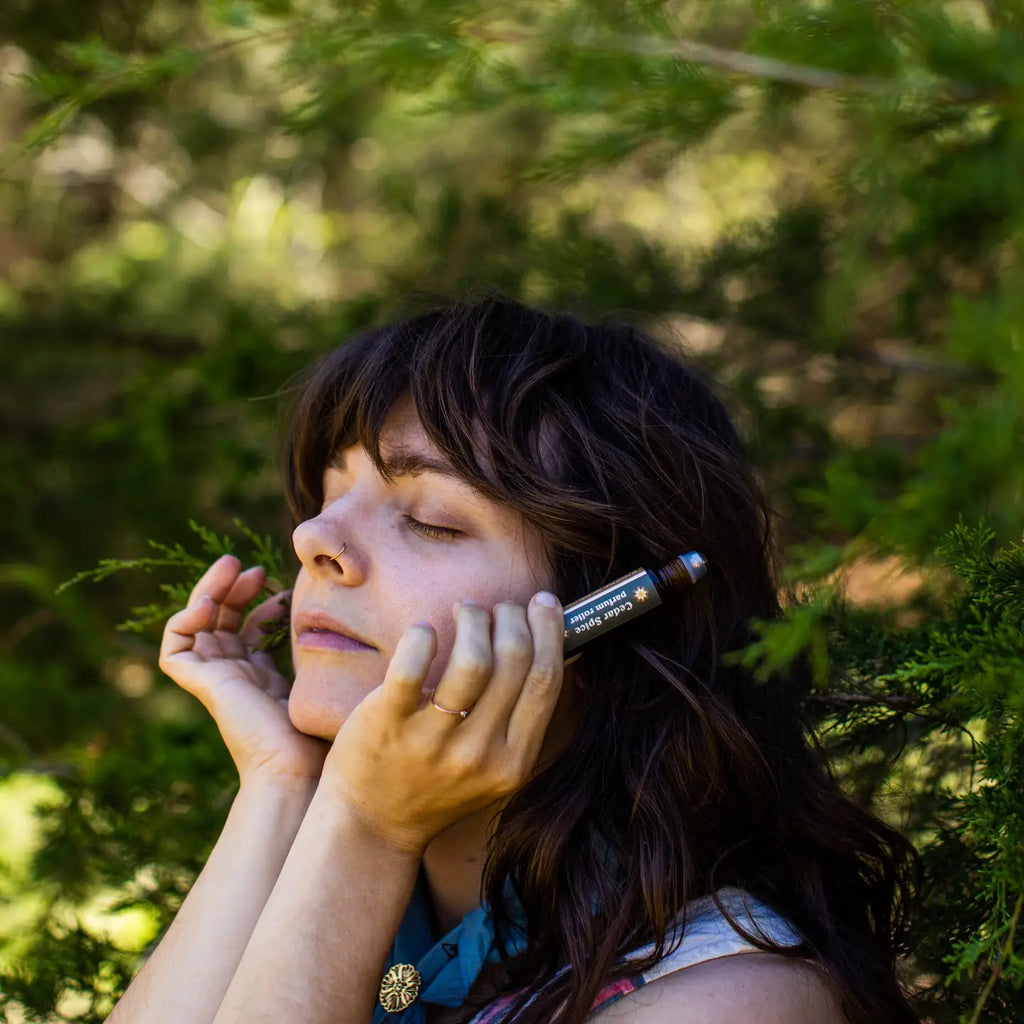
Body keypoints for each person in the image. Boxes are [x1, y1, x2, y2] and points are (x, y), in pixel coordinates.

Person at [107, 295, 918, 1024]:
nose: (313, 538)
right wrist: (282, 784)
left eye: (431, 519)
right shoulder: (357, 892)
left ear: (602, 617)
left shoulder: (733, 1002)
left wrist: (369, 825)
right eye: (330, 494)